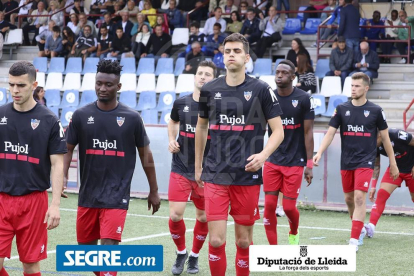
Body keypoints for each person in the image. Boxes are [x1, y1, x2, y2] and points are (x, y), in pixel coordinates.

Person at [195, 33, 284, 276]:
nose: (231, 55)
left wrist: (263, 155)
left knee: (244, 242)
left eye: (236, 51)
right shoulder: (210, 89)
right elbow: (201, 127)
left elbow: (278, 132)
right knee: (215, 241)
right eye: (227, 51)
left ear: (246, 57)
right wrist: (197, 166)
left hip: (247, 176)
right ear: (222, 56)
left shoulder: (261, 90)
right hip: (216, 174)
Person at [63, 59, 161, 276]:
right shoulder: (80, 115)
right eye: (99, 83)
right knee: (86, 254)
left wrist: (153, 190)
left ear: (119, 87)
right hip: (88, 195)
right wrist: (61, 178)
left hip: (116, 196)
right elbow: (67, 149)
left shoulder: (132, 118)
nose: (102, 88)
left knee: (108, 252)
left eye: (108, 84)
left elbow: (146, 156)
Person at [313, 72, 399, 251]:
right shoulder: (342, 109)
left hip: (365, 161)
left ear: (366, 88)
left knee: (360, 197)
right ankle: (359, 228)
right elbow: (330, 132)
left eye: (357, 86)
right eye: (351, 86)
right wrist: (320, 152)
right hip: (347, 161)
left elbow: (384, 137)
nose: (353, 89)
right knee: (349, 198)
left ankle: (354, 239)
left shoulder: (376, 111)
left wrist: (393, 162)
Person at [0, 61, 66, 276]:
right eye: (11, 85)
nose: (15, 91)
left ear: (34, 85)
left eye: (21, 85)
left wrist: (55, 205)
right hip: (2, 199)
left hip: (34, 202)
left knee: (30, 265)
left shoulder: (49, 120)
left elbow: (57, 164)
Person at [168, 61, 216, 275]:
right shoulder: (181, 102)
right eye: (200, 73)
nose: (203, 77)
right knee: (176, 215)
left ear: (213, 79)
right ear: (194, 76)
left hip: (206, 172)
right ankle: (181, 253)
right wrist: (171, 139)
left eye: (207, 74)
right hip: (180, 167)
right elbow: (172, 122)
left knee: (203, 217)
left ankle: (194, 256)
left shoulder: (218, 107)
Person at [263, 59, 314, 246]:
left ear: (293, 77)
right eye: (277, 72)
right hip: (272, 160)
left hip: (295, 162)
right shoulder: (268, 97)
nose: (279, 76)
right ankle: (273, 248)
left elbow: (308, 133)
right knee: (268, 206)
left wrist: (309, 164)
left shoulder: (303, 99)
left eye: (284, 73)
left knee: (289, 207)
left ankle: (294, 232)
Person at [364, 129, 414, 238]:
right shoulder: (374, 145)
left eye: (374, 139)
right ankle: (371, 226)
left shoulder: (397, 135)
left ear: (380, 136)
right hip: (395, 169)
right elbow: (376, 165)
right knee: (381, 195)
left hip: (411, 168)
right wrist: (373, 187)